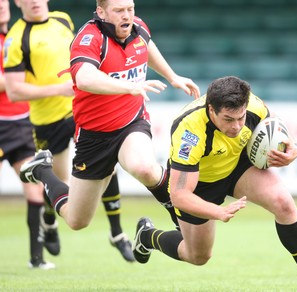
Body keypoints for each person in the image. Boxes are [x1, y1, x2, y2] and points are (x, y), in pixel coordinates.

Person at [130, 76, 297, 291]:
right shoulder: (189, 132)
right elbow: (179, 195)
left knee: (283, 203)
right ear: (211, 110)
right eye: (229, 119)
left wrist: (293, 147)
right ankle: (147, 236)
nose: (237, 126)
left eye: (241, 118)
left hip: (238, 166)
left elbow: (273, 120)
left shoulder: (251, 105)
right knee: (197, 255)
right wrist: (217, 211)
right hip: (201, 184)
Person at [17, 0, 200, 248]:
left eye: (130, 9)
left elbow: (146, 45)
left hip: (131, 123)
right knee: (77, 220)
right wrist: (130, 86)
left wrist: (172, 76)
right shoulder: (89, 37)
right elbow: (84, 78)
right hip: (94, 135)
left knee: (144, 168)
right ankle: (42, 171)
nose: (127, 16)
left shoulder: (137, 27)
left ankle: (180, 216)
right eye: (119, 11)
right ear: (101, 12)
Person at [4, 0, 135, 262]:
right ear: (18, 2)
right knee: (64, 183)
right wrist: (59, 89)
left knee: (107, 162)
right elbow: (14, 91)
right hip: (47, 120)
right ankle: (50, 219)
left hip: (81, 110)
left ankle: (118, 233)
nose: (34, 2)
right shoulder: (16, 38)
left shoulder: (63, 20)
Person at [0, 0, 56, 270]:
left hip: (21, 124)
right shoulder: (15, 41)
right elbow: (12, 84)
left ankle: (37, 258)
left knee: (35, 190)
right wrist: (18, 80)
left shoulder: (16, 36)